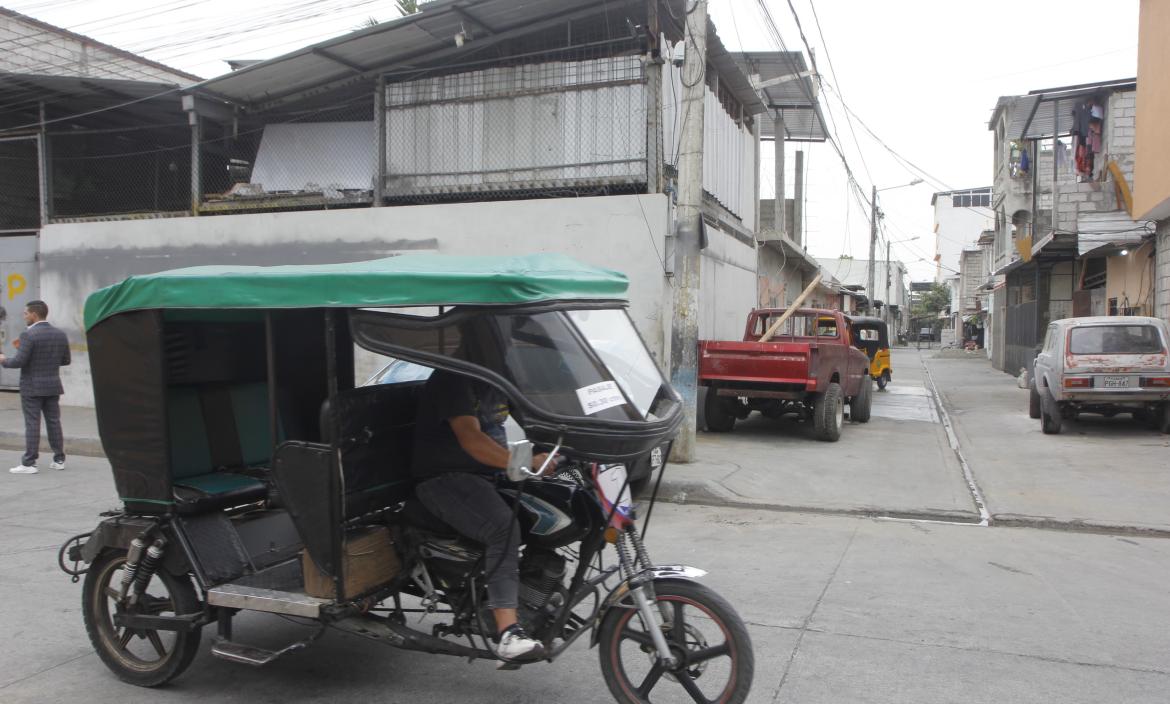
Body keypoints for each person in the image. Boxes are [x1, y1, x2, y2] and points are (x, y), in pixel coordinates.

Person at [410, 367, 551, 663]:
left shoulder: (500, 376)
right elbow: (471, 439)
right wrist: (523, 464)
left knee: (547, 509)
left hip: (486, 473)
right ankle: (507, 633)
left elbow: (538, 419)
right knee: (503, 528)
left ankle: (535, 593)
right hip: (443, 477)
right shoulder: (453, 378)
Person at [1, 300, 71, 474]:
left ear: (34, 314)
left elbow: (19, 361)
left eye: (25, 314)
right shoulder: (59, 334)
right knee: (54, 422)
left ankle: (29, 463)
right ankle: (59, 459)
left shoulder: (28, 335)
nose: (24, 317)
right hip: (53, 385)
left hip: (32, 386)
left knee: (32, 423)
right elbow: (66, 360)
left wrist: (3, 360)